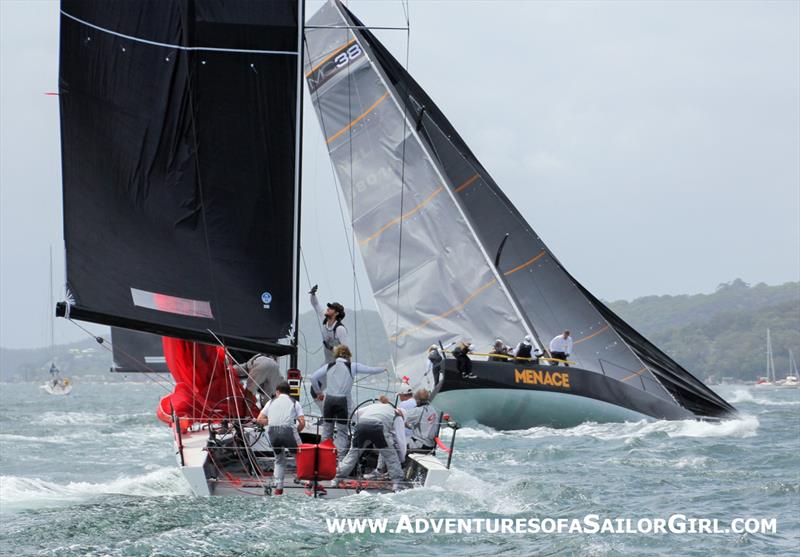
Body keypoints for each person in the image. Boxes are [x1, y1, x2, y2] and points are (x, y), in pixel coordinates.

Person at [309, 344, 386, 460]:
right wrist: (383, 369)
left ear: (336, 355)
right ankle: (339, 459)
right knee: (342, 431)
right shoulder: (352, 366)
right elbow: (370, 370)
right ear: (348, 355)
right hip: (341, 401)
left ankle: (322, 458)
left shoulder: (329, 365)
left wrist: (319, 392)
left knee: (327, 430)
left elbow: (313, 377)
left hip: (328, 401)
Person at [334, 398, 406, 491]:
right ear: (402, 416)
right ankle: (397, 483)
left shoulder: (376, 406)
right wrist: (402, 458)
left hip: (361, 425)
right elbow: (401, 440)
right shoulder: (398, 416)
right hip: (378, 428)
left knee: (352, 455)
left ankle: (336, 478)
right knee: (391, 457)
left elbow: (356, 413)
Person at [256, 382, 305, 495]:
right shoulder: (295, 403)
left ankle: (278, 488)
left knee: (279, 459)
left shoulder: (270, 402)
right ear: (289, 392)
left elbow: (259, 420)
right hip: (288, 431)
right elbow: (302, 423)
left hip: (273, 432)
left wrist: (272, 421)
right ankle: (307, 482)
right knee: (301, 456)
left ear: (277, 392)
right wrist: (296, 431)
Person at [309, 285, 348, 364]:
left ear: (336, 313)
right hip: (327, 362)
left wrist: (331, 348)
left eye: (331, 308)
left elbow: (345, 353)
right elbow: (316, 305)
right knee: (315, 377)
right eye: (328, 307)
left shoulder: (340, 329)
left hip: (338, 364)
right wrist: (313, 294)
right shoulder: (324, 319)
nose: (328, 308)